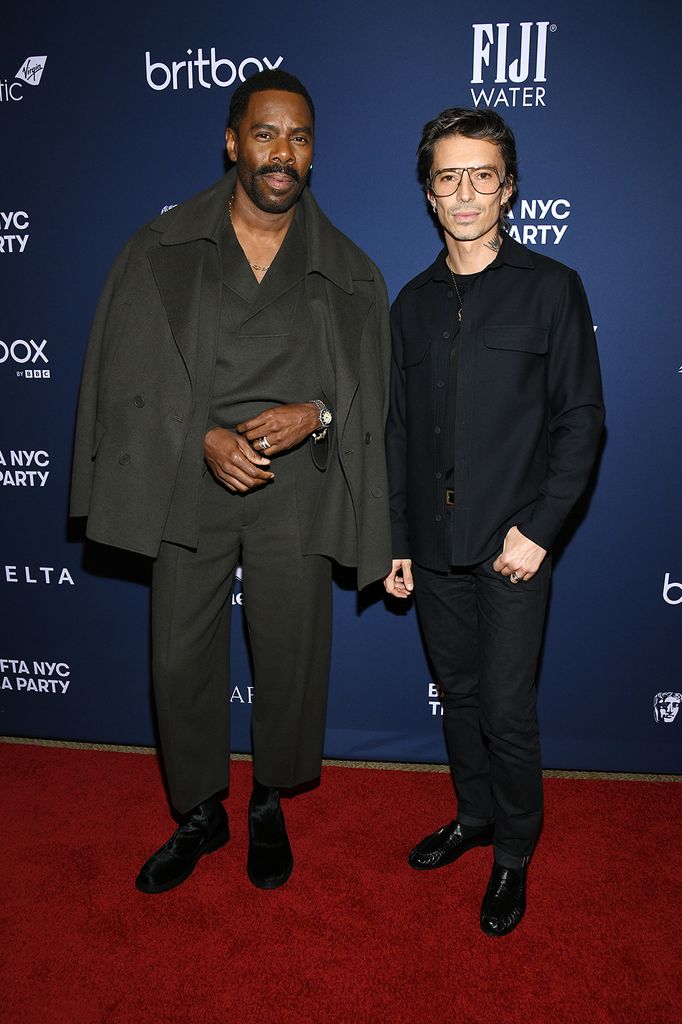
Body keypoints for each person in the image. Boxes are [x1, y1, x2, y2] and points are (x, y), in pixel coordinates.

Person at [71, 70, 391, 893]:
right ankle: (201, 812)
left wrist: (312, 413)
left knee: (290, 657)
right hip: (189, 483)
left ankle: (269, 801)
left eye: (299, 138)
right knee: (180, 662)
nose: (282, 153)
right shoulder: (164, 247)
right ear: (232, 141)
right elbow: (125, 381)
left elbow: (363, 398)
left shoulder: (349, 271)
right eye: (265, 133)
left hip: (298, 494)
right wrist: (200, 439)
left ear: (314, 153)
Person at [384, 107, 604, 935]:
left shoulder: (552, 288)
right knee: (462, 697)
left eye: (482, 174)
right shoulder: (409, 305)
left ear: (508, 189)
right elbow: (399, 434)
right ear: (429, 194)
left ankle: (513, 851)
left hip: (514, 547)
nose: (465, 191)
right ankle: (474, 817)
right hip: (435, 552)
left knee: (508, 709)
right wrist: (398, 540)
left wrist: (541, 528)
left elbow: (581, 419)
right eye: (448, 176)